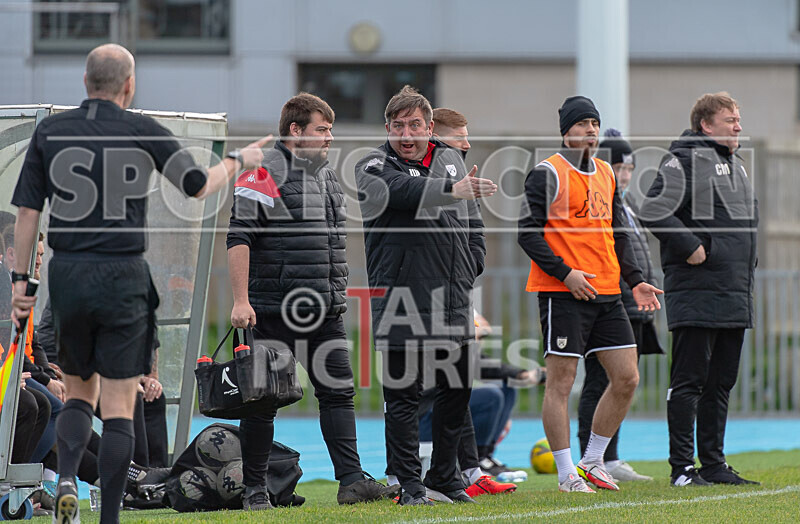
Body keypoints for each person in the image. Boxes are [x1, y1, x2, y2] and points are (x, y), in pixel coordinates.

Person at [10, 43, 269, 524]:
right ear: (129, 85)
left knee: (78, 393)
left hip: (68, 272)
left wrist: (21, 280)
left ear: (85, 82)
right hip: (123, 274)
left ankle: (65, 476)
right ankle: (109, 516)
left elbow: (27, 214)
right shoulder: (141, 127)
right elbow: (197, 184)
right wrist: (239, 158)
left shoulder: (50, 131)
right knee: (118, 403)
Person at [227, 93, 395, 510]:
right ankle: (255, 491)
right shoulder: (261, 170)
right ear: (295, 131)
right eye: (322, 130)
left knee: (338, 393)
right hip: (272, 309)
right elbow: (238, 237)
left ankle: (352, 481)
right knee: (263, 401)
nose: (329, 138)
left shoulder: (325, 174)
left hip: (323, 309)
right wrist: (240, 301)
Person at [355, 86, 496, 506]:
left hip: (452, 299)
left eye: (415, 124)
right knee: (404, 397)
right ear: (388, 129)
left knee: (457, 392)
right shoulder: (372, 164)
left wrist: (473, 262)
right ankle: (409, 484)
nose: (407, 133)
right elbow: (403, 193)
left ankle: (446, 478)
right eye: (398, 126)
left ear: (430, 127)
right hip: (401, 299)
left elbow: (473, 222)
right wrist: (454, 191)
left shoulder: (449, 157)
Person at [518, 96, 663, 493]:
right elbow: (527, 234)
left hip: (608, 292)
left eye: (595, 124)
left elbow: (617, 235)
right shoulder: (546, 173)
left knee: (627, 378)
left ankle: (592, 461)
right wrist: (566, 275)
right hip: (563, 293)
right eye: (582, 124)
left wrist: (634, 280)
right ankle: (567, 475)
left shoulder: (606, 173)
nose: (591, 131)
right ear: (566, 132)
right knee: (561, 383)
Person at [639, 92, 759, 487]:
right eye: (730, 120)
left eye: (738, 119)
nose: (738, 126)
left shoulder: (734, 165)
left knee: (721, 381)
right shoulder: (686, 159)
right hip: (698, 291)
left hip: (732, 291)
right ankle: (681, 469)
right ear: (706, 125)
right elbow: (654, 208)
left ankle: (713, 463)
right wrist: (690, 245)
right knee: (689, 380)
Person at [576, 129, 664, 482]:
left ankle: (609, 456)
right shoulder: (598, 202)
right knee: (599, 383)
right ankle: (595, 457)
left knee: (623, 384)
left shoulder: (626, 205)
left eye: (629, 168)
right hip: (608, 304)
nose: (624, 175)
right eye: (618, 167)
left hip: (631, 306)